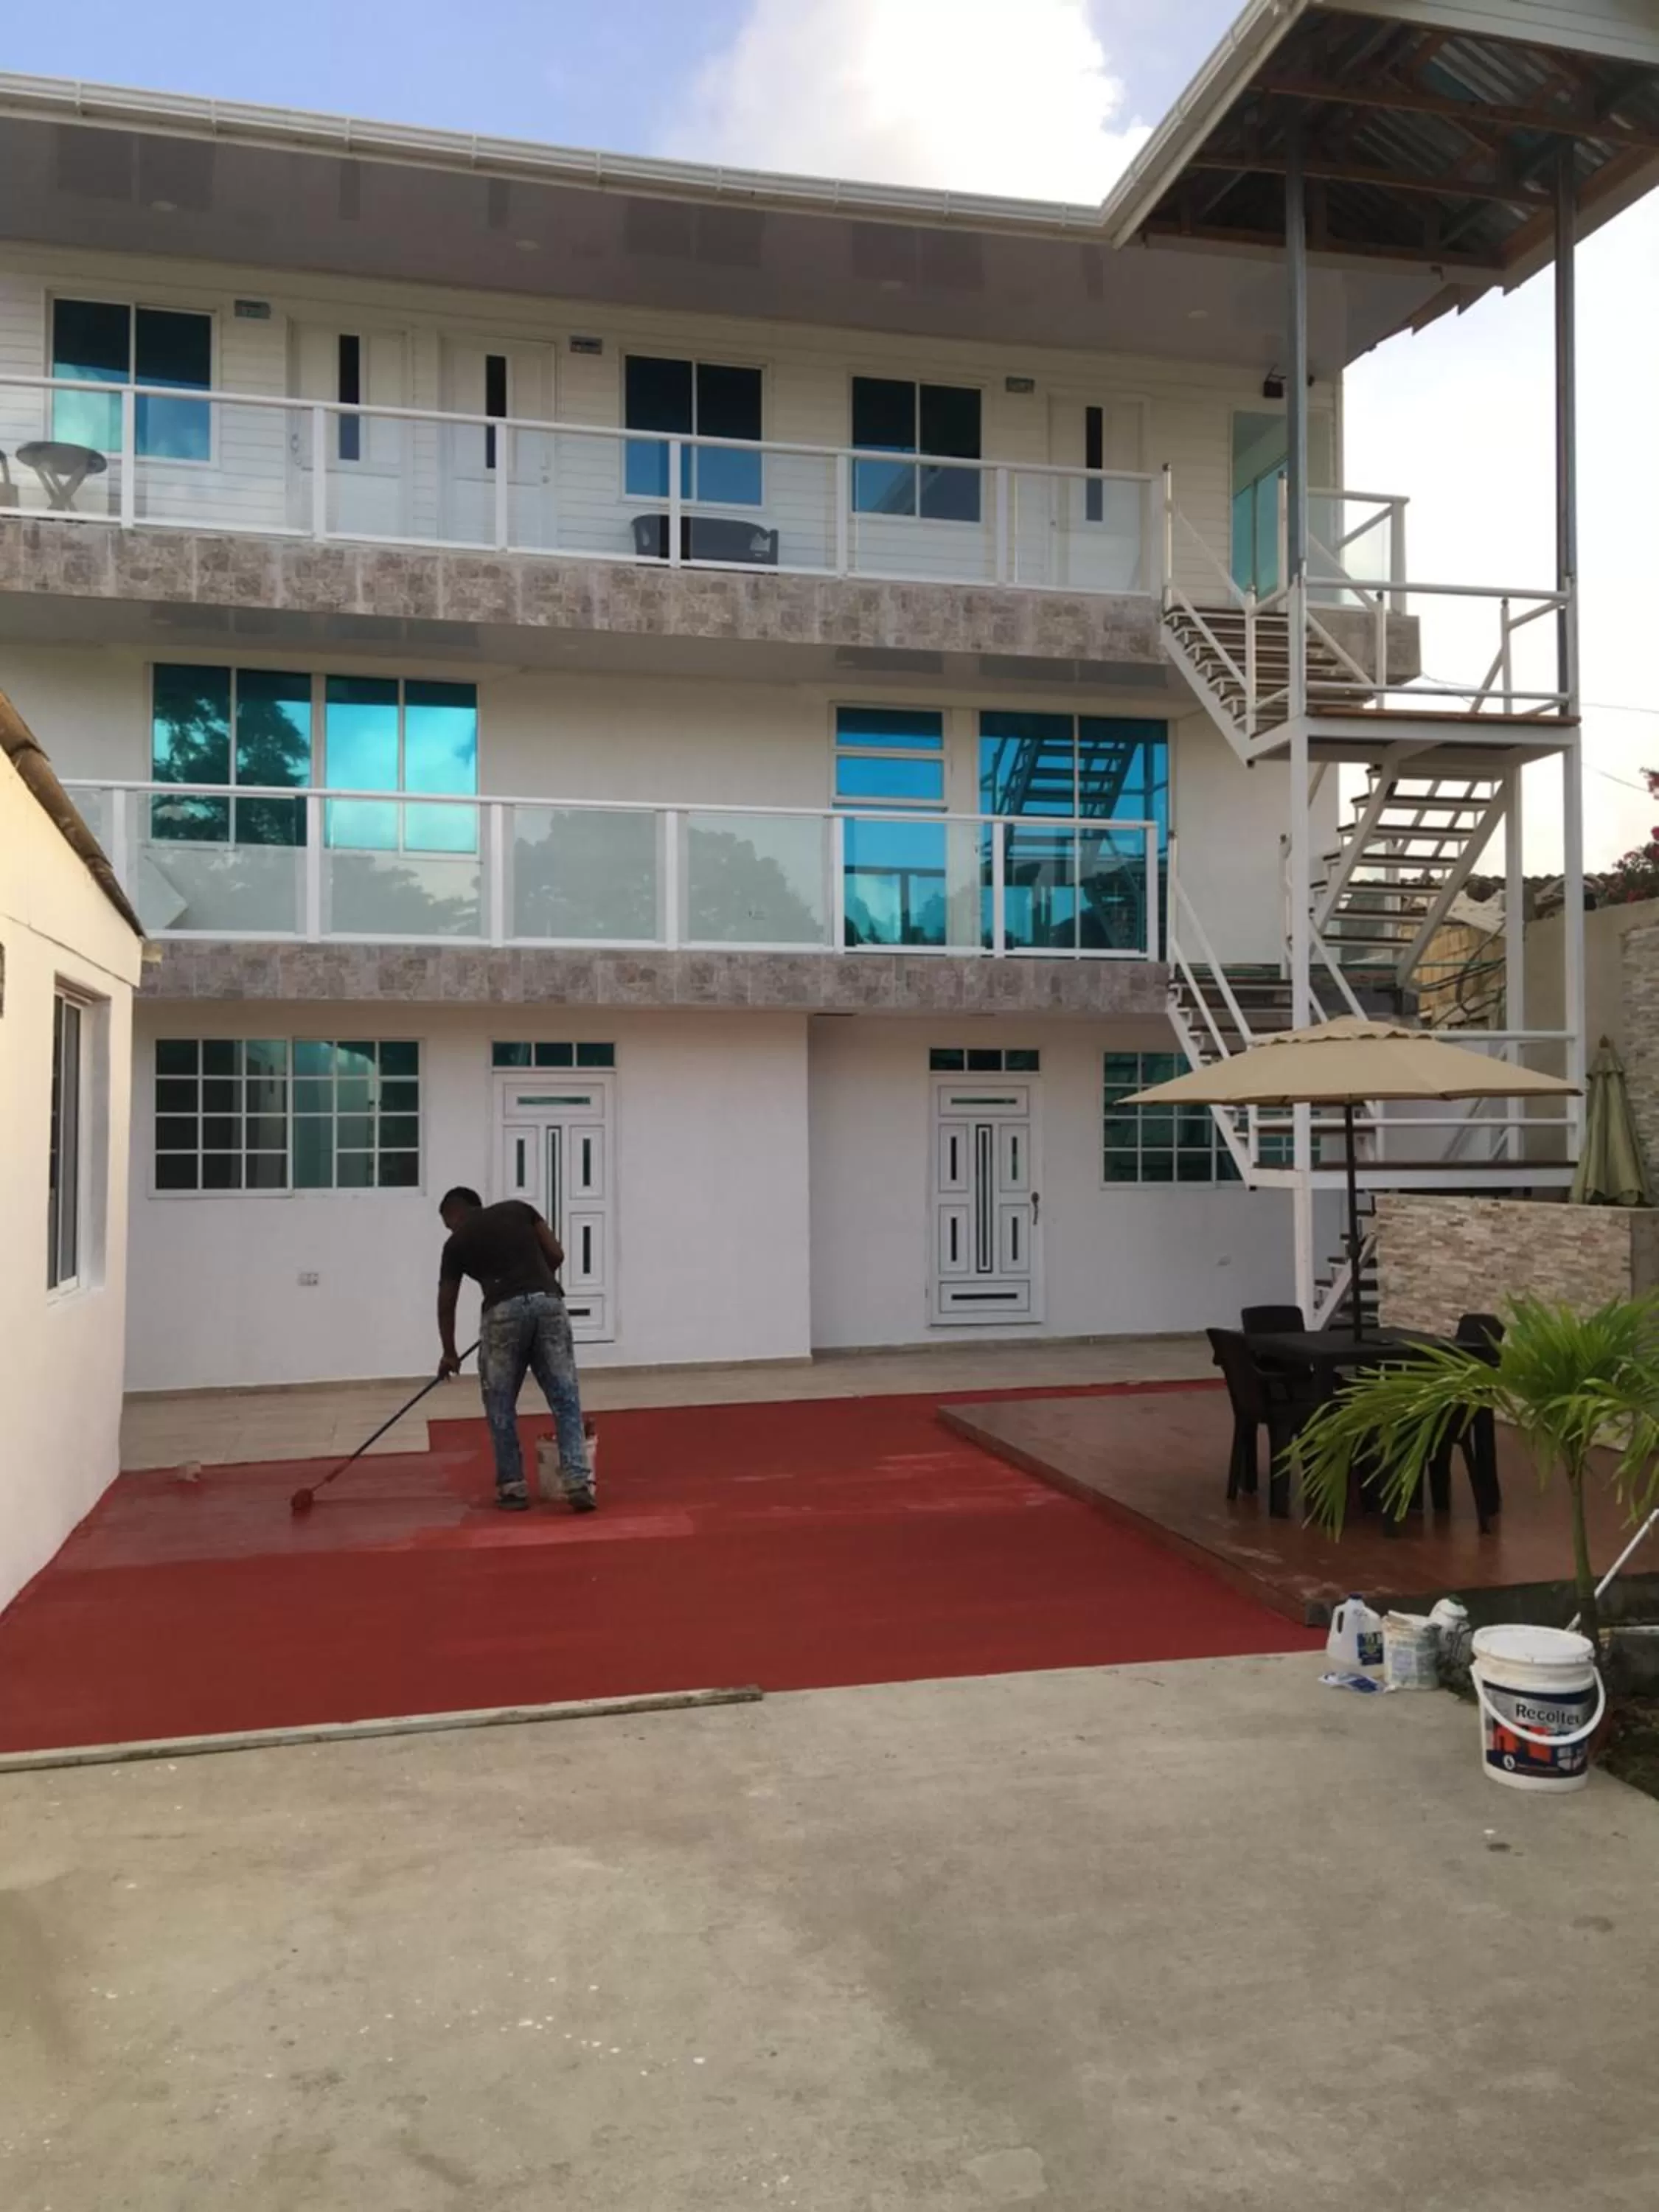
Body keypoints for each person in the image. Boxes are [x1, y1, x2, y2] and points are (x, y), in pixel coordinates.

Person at [436, 1186, 596, 1514]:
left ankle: (513, 1487)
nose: (450, 1230)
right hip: (549, 1304)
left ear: (455, 1212)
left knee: (500, 1403)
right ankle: (578, 1480)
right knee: (565, 1395)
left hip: (502, 1313)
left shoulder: (456, 1243)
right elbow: (556, 1254)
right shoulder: (518, 1209)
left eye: (448, 1223)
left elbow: (446, 1302)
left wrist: (449, 1352)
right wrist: (535, 1282)